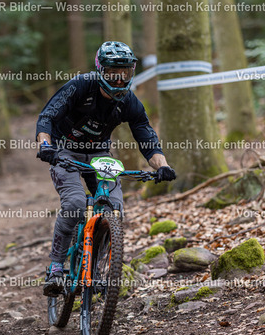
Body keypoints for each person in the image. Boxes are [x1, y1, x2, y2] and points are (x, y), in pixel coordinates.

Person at [36, 41, 176, 297]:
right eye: (113, 73)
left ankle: (94, 267)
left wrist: (163, 166)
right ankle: (55, 268)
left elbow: (147, 138)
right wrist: (46, 146)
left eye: (126, 73)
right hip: (63, 150)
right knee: (75, 203)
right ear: (101, 70)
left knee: (115, 207)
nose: (120, 79)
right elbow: (47, 116)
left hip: (99, 154)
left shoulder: (129, 102)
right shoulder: (81, 85)